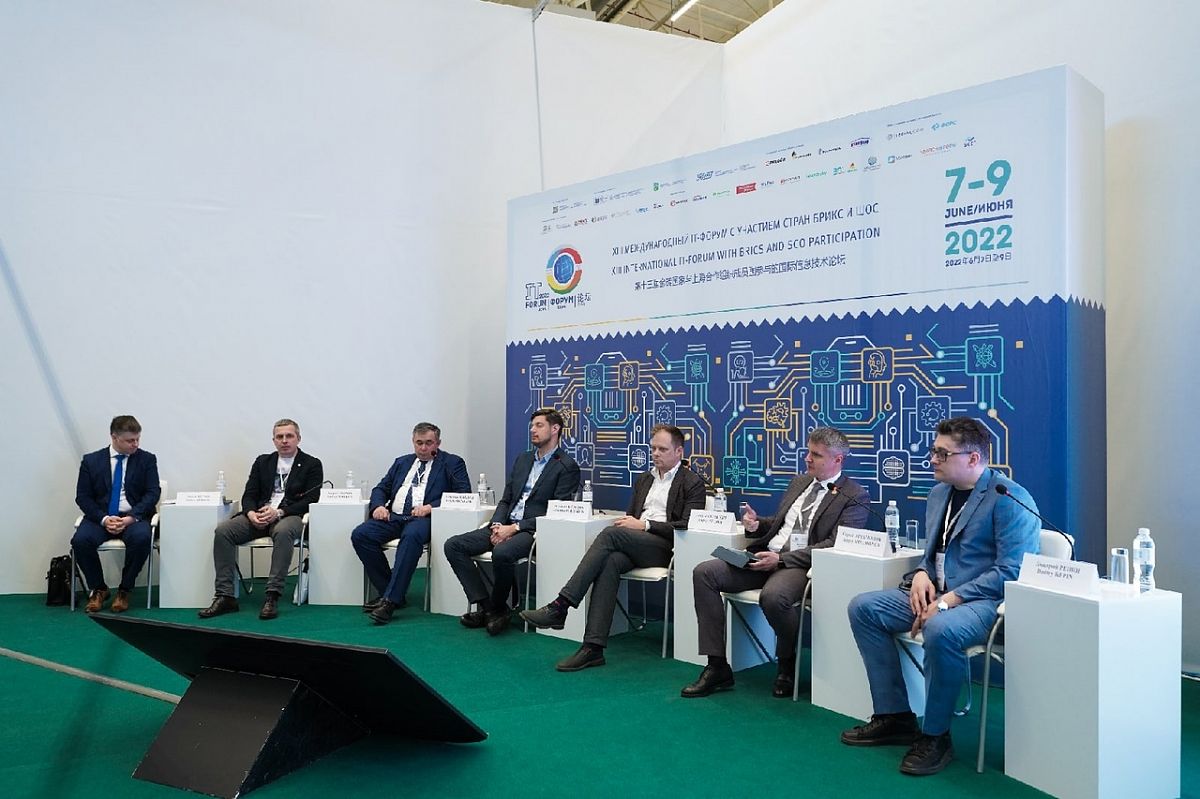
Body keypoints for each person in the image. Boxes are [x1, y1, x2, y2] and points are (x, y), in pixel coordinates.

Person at [841, 416, 1039, 776]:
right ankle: (895, 715)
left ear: (974, 458)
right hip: (939, 595)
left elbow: (1011, 571)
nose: (933, 459)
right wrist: (921, 573)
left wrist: (949, 601)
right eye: (933, 451)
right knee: (864, 608)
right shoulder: (939, 493)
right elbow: (935, 552)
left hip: (985, 603)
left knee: (940, 629)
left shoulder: (1008, 498)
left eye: (942, 453)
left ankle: (935, 736)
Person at [682, 426, 869, 699]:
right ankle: (717, 666)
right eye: (808, 452)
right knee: (704, 572)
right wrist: (757, 524)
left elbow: (835, 544)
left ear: (837, 459)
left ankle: (786, 663)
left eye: (816, 455)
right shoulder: (799, 483)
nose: (807, 458)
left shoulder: (854, 495)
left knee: (773, 597)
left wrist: (781, 560)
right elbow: (781, 524)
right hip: (764, 555)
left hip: (798, 566)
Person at [521, 424, 706, 671]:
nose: (655, 454)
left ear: (679, 451)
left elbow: (687, 525)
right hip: (636, 543)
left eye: (662, 449)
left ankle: (561, 605)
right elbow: (631, 516)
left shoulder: (692, 482)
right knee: (610, 562)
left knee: (610, 535)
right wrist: (635, 525)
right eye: (653, 448)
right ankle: (592, 648)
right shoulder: (645, 479)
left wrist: (646, 525)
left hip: (666, 547)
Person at [444, 408, 579, 636]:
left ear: (555, 429)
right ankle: (489, 608)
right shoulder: (523, 459)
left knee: (503, 553)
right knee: (453, 545)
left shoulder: (566, 466)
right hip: (504, 524)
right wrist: (497, 524)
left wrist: (515, 528)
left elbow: (556, 513)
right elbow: (506, 499)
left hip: (531, 530)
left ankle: (496, 608)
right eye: (532, 425)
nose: (533, 430)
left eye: (539, 425)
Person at [199, 419, 324, 621]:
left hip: (289, 516)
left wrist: (279, 512)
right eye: (279, 437)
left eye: (289, 436)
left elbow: (312, 499)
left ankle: (272, 596)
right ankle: (225, 596)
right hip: (258, 515)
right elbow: (249, 494)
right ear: (274, 440)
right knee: (223, 531)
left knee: (283, 532)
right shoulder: (262, 462)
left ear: (298, 439)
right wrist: (250, 513)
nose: (284, 440)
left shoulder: (312, 464)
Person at [353, 422, 470, 625]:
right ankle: (389, 590)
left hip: (423, 519)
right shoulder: (402, 462)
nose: (423, 448)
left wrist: (431, 507)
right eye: (419, 443)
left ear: (438, 443)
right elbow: (381, 488)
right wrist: (378, 506)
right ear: (413, 442)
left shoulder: (452, 463)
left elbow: (463, 493)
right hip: (395, 517)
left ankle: (390, 602)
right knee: (361, 535)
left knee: (411, 536)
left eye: (429, 443)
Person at [72, 415, 161, 613]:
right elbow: (83, 497)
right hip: (101, 517)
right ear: (114, 437)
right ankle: (99, 589)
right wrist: (104, 519)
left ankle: (125, 589)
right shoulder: (91, 461)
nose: (135, 444)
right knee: (80, 541)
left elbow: (152, 493)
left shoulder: (147, 459)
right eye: (130, 440)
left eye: (137, 439)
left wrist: (131, 518)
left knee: (142, 538)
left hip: (133, 517)